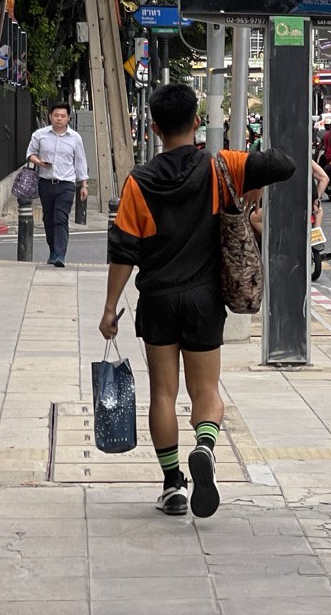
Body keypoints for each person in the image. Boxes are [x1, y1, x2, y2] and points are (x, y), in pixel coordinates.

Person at [100, 84, 294, 518]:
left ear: (153, 127)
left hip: (158, 301)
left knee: (163, 394)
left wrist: (111, 307)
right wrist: (251, 182)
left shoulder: (139, 181)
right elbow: (284, 163)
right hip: (205, 299)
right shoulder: (222, 165)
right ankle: (205, 446)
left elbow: (123, 251)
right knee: (206, 390)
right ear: (196, 123)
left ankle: (172, 485)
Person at [25, 102, 90, 267]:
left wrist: (84, 184)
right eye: (56, 115)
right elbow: (30, 154)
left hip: (66, 184)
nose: (59, 119)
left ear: (68, 118)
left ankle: (60, 254)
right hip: (46, 182)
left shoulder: (75, 138)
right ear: (50, 117)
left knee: (60, 218)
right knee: (48, 218)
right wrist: (39, 162)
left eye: (62, 116)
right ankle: (53, 250)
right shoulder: (40, 135)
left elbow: (80, 162)